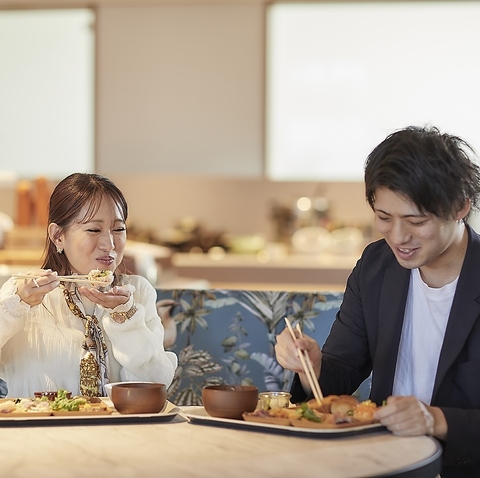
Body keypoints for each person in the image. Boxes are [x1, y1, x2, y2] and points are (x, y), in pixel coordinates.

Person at [275, 126, 480, 478]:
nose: (398, 237)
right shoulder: (376, 266)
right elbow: (340, 374)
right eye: (384, 218)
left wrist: (436, 420)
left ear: (461, 206)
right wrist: (311, 365)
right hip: (381, 461)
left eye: (416, 221)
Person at [0, 173, 177, 398]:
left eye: (118, 229)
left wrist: (125, 317)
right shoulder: (21, 293)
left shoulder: (137, 292)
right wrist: (14, 307)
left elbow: (156, 385)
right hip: (39, 419)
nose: (109, 244)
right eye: (94, 230)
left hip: (117, 421)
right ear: (58, 236)